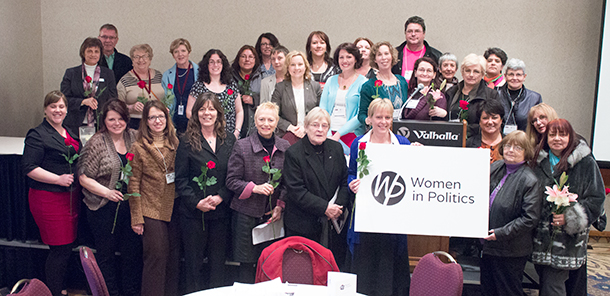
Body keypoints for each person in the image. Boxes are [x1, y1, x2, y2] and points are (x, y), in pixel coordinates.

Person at [531, 119, 605, 296]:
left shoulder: (586, 163)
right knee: (545, 280)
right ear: (545, 137)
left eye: (562, 135)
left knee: (553, 284)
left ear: (570, 137)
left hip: (568, 240)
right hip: (541, 237)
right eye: (552, 134)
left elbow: (597, 198)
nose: (557, 139)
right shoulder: (537, 161)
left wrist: (570, 216)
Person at [348, 98, 413, 296]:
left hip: (392, 216)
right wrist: (353, 183)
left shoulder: (402, 143)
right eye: (378, 117)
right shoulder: (358, 144)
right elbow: (351, 172)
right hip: (367, 217)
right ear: (369, 119)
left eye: (387, 117)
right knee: (366, 269)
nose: (383, 122)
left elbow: (410, 176)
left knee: (390, 269)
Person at [78, 100, 142, 296]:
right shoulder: (96, 142)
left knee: (131, 255)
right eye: (111, 119)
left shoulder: (135, 137)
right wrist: (106, 192)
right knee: (106, 257)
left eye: (121, 119)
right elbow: (82, 176)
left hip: (129, 207)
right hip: (103, 207)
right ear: (104, 121)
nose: (117, 123)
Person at [175, 92, 237, 292]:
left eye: (211, 109)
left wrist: (221, 196)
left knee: (218, 266)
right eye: (202, 109)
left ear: (218, 113)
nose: (206, 113)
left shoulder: (229, 141)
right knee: (193, 265)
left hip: (220, 213)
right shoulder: (185, 141)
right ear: (196, 113)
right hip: (193, 214)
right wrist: (196, 203)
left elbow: (234, 175)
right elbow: (181, 179)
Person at [22, 91, 80, 296]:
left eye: (61, 106)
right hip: (49, 198)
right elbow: (29, 167)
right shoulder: (37, 134)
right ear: (45, 109)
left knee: (66, 247)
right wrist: (58, 179)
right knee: (59, 249)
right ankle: (54, 292)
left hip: (69, 199)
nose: (58, 110)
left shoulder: (68, 131)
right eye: (53, 106)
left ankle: (60, 288)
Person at [225, 102, 290, 283]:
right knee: (247, 265)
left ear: (277, 122)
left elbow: (288, 183)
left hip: (272, 217)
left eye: (270, 120)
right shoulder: (242, 146)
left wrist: (280, 205)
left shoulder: (285, 147)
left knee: (271, 263)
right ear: (255, 121)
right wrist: (255, 188)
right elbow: (231, 181)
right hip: (246, 213)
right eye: (261, 119)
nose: (266, 124)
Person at [282, 107, 349, 262]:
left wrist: (338, 207)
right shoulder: (294, 153)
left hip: (334, 224)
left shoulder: (336, 148)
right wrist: (325, 208)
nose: (320, 130)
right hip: (304, 225)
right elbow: (296, 191)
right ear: (306, 127)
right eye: (315, 125)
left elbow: (344, 181)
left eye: (324, 126)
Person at [480, 130, 541, 296]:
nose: (511, 150)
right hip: (489, 245)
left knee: (508, 291)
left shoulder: (529, 180)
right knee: (488, 289)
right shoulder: (497, 167)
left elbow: (529, 218)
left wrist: (500, 233)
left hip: (510, 249)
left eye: (518, 147)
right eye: (507, 145)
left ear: (526, 152)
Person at [128, 100, 179, 296]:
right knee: (156, 257)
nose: (157, 121)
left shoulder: (175, 143)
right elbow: (132, 185)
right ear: (145, 121)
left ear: (167, 118)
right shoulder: (138, 148)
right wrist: (136, 218)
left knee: (173, 259)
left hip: (173, 209)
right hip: (150, 209)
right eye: (152, 117)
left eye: (160, 116)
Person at [61, 37, 117, 137]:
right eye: (89, 51)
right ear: (83, 53)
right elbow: (64, 99)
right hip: (75, 124)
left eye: (96, 51)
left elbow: (113, 99)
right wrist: (82, 102)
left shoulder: (108, 74)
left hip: (101, 124)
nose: (93, 54)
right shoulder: (71, 73)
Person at [319, 43, 367, 153]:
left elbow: (360, 114)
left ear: (355, 59)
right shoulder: (330, 80)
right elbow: (323, 109)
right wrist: (329, 132)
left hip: (352, 133)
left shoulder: (363, 82)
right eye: (341, 57)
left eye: (349, 57)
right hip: (328, 131)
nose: (345, 61)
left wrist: (338, 134)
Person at [186, 49, 243, 139]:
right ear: (206, 65)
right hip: (206, 137)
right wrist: (200, 128)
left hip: (229, 137)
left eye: (218, 62)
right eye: (211, 62)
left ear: (223, 64)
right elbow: (189, 112)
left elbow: (239, 111)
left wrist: (237, 131)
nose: (215, 65)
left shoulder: (231, 85)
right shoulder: (198, 86)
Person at [271, 51, 322, 143]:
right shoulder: (280, 87)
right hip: (287, 134)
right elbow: (273, 114)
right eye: (293, 64)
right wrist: (290, 128)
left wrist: (306, 128)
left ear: (305, 66)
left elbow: (320, 112)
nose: (297, 68)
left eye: (300, 64)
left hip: (311, 133)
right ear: (287, 67)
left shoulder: (315, 87)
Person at [445, 53, 500, 136]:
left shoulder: (491, 95)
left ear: (482, 74)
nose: (471, 75)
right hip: (452, 138)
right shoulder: (451, 92)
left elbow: (495, 123)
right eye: (467, 70)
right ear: (462, 72)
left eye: (476, 71)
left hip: (478, 141)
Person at [358, 41, 409, 124]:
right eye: (379, 55)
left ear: (392, 56)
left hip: (401, 129)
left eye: (386, 53)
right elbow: (361, 115)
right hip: (380, 129)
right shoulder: (368, 86)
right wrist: (367, 120)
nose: (383, 57)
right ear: (375, 59)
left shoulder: (402, 81)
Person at [117, 44, 165, 129]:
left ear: (150, 59)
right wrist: (131, 107)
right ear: (132, 60)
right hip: (135, 123)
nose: (141, 60)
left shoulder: (159, 76)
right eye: (137, 57)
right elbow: (118, 107)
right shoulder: (125, 80)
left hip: (158, 121)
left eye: (145, 56)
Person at [162, 38, 200, 134]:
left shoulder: (200, 72)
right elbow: (166, 98)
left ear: (189, 52)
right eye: (176, 52)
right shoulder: (167, 75)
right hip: (176, 122)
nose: (180, 54)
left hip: (196, 121)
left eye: (183, 51)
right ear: (173, 55)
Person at [498, 58, 542, 133]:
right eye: (511, 74)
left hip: (526, 141)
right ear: (505, 76)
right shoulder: (495, 95)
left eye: (518, 75)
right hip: (500, 141)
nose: (515, 78)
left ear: (524, 77)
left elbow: (538, 124)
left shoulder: (534, 98)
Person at [232, 45, 262, 138]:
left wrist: (254, 100)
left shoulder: (262, 77)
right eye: (243, 56)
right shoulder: (229, 77)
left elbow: (268, 99)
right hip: (233, 124)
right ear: (238, 59)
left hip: (254, 126)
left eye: (250, 57)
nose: (247, 60)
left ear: (255, 59)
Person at [466, 99, 505, 163]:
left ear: (501, 120)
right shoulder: (469, 144)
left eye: (494, 118)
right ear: (479, 121)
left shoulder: (510, 142)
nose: (490, 122)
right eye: (485, 118)